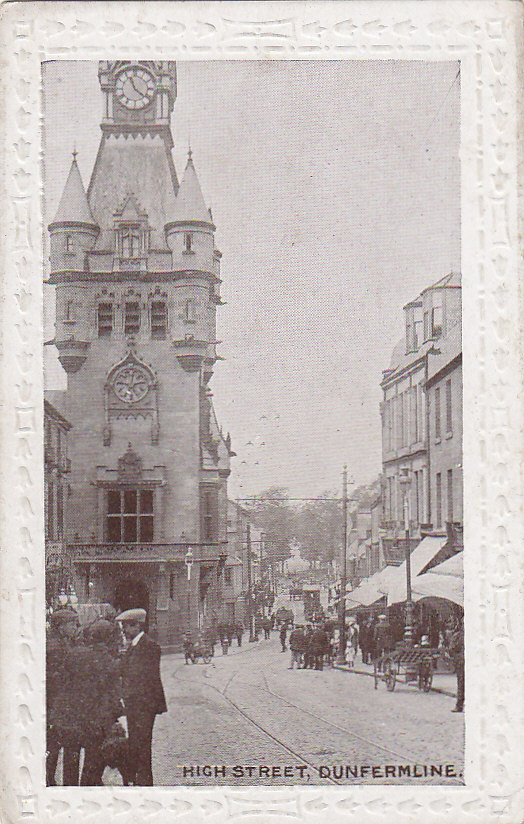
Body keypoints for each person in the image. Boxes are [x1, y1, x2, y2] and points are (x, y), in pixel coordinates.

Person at [116, 608, 167, 786]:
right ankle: (140, 780)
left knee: (143, 745)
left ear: (137, 625)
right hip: (135, 706)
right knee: (136, 744)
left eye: (126, 627)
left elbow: (143, 678)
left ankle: (145, 783)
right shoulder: (133, 646)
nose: (124, 631)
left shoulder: (149, 646)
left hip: (144, 706)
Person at [80, 619, 123, 786]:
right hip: (104, 718)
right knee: (99, 757)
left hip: (88, 717)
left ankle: (89, 785)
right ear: (109, 638)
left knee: (91, 758)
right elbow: (115, 693)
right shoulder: (109, 661)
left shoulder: (86, 658)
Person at [46, 607, 81, 785]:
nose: (76, 627)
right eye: (72, 623)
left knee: (56, 749)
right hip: (58, 707)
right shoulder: (54, 648)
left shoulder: (64, 643)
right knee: (53, 749)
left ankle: (59, 783)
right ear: (60, 627)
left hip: (63, 707)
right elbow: (57, 680)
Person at [448, 617, 464, 712]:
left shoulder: (458, 635)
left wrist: (456, 657)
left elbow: (452, 649)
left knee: (461, 684)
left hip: (461, 661)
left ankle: (459, 705)